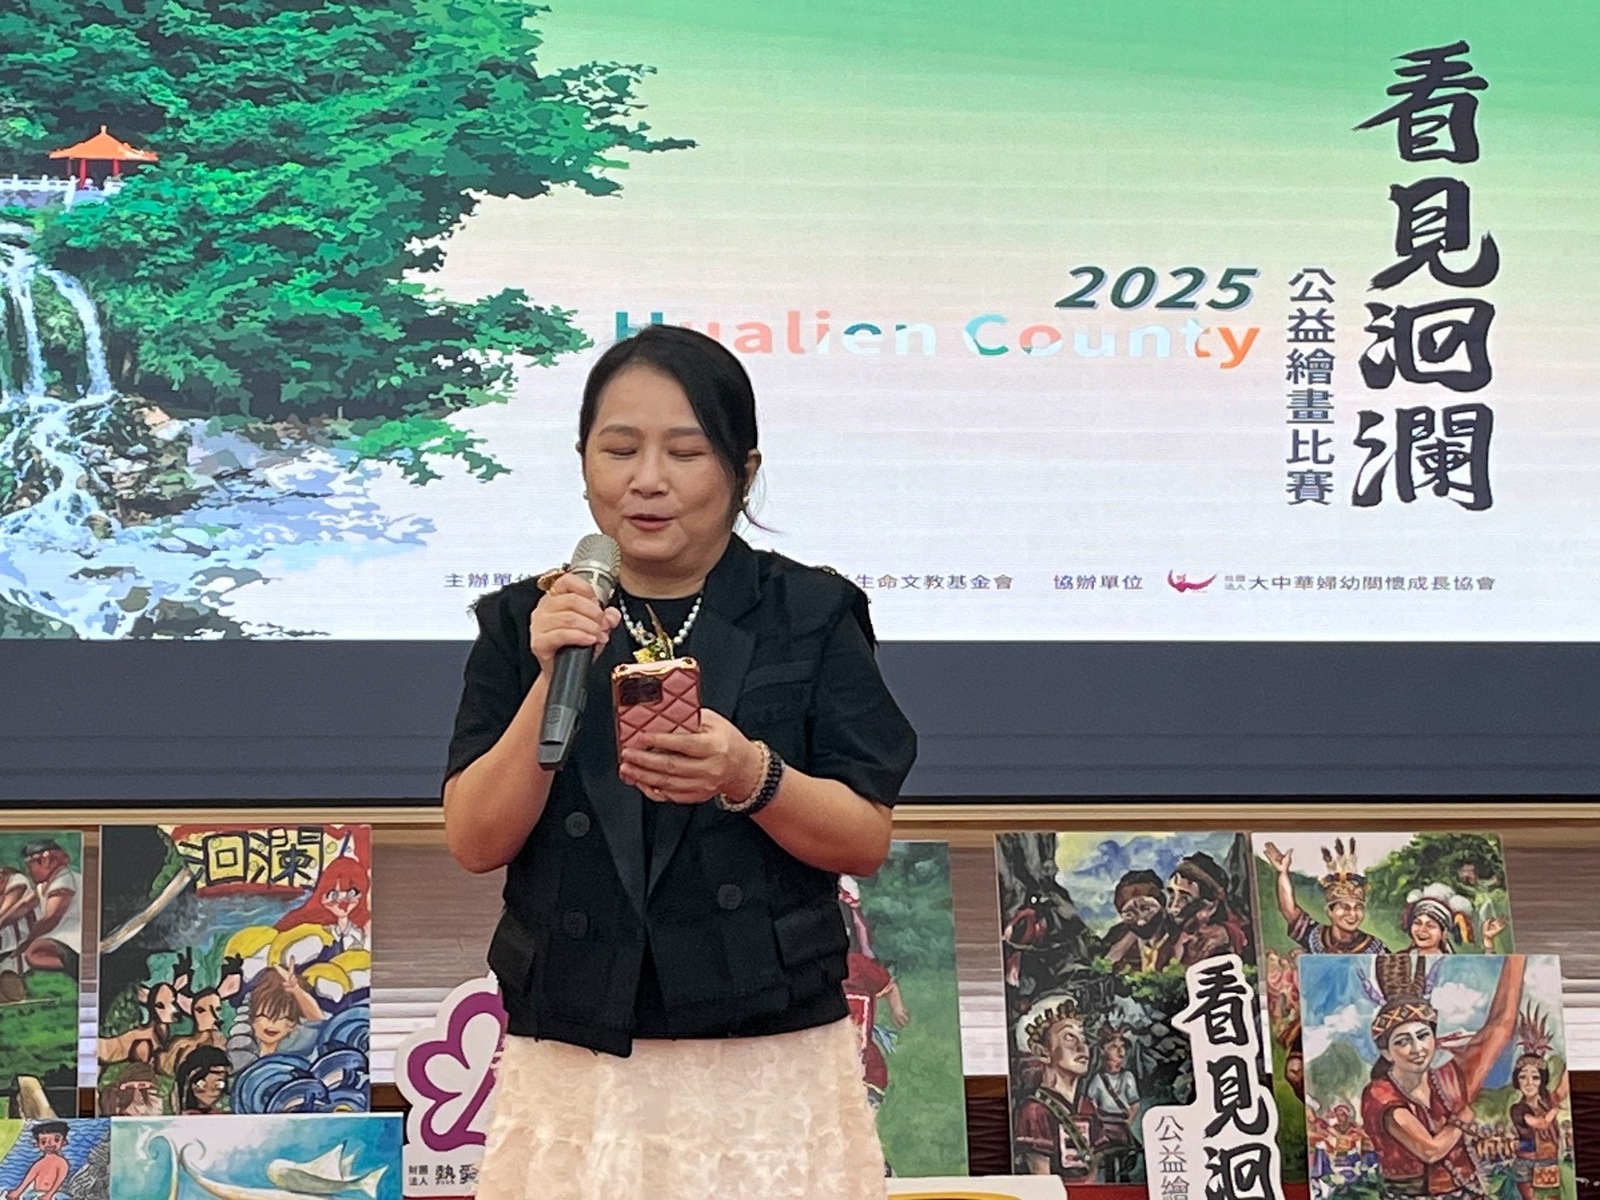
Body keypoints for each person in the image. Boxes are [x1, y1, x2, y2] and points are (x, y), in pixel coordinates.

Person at [441, 324, 917, 1200]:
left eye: (685, 452)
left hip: (765, 1051)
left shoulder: (810, 613)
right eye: (619, 449)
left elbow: (863, 839)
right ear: (583, 462)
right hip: (576, 1046)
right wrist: (549, 677)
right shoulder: (524, 622)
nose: (647, 479)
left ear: (743, 468)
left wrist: (750, 776)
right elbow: (475, 840)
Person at [1359, 952, 1524, 1198]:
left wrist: (1516, 960)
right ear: (1386, 1052)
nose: (1417, 1049)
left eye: (1423, 1036)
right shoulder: (1379, 1094)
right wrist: (1461, 1119)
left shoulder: (1450, 1079)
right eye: (1403, 1041)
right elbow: (1430, 1150)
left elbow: (1500, 1026)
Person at [1012, 995, 1098, 1181]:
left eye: (1083, 1038)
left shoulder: (1087, 1105)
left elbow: (1095, 1167)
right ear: (1042, 1052)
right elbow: (1041, 1178)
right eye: (1069, 1037)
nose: (1082, 1047)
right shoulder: (1034, 1111)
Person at [1263, 838, 1389, 955]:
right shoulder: (1315, 936)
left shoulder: (1375, 947)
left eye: (1358, 907)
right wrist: (1282, 873)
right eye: (1344, 907)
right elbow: (1289, 911)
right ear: (1330, 912)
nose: (1352, 914)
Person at [1165, 851, 1249, 966]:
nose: (1174, 904)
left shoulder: (1214, 940)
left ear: (1211, 905)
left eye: (1185, 898)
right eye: (1172, 894)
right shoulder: (1176, 935)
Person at [1100, 870, 1177, 973]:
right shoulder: (1116, 936)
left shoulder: (1180, 932)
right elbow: (1103, 966)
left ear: (1162, 903)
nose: (1141, 922)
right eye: (1129, 914)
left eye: (1146, 909)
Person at [4, 1121, 70, 1200]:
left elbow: (59, 1181)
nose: (49, 1144)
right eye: (43, 1141)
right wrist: (17, 1192)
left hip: (54, 1194)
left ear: (64, 1142)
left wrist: (49, 1195)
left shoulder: (61, 1163)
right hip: (36, 1193)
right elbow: (28, 1179)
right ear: (37, 1144)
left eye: (56, 1140)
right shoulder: (39, 1163)